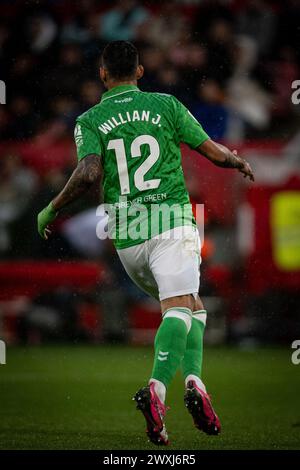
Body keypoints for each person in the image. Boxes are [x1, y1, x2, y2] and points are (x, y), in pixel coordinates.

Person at [37, 40, 254, 446]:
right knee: (179, 306)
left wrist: (51, 208)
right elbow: (211, 151)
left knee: (193, 304)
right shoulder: (166, 105)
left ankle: (195, 383)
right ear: (139, 71)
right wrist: (236, 160)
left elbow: (87, 174)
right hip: (170, 221)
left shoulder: (89, 119)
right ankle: (156, 390)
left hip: (125, 237)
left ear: (102, 75)